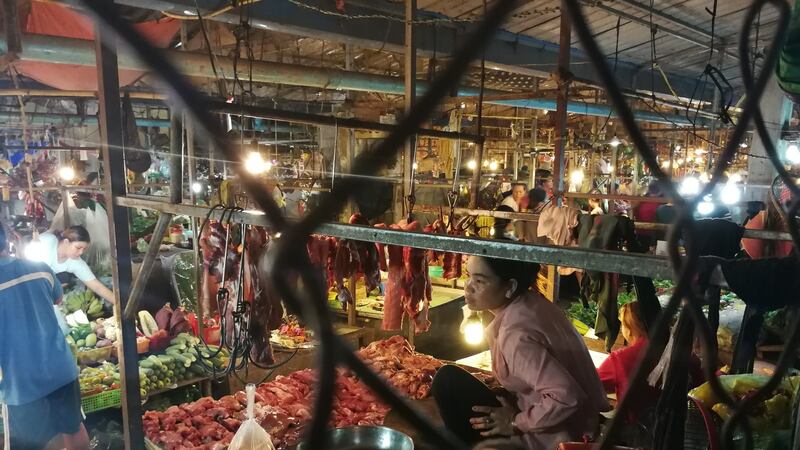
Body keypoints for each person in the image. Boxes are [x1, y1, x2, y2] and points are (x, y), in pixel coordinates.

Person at [432, 256, 610, 449]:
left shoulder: (516, 334)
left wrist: (515, 422)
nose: (468, 287)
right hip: (583, 423)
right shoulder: (531, 303)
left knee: (447, 381)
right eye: (469, 276)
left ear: (510, 287)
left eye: (480, 281)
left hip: (561, 436)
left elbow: (567, 396)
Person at [0, 223, 90, 450]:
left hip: (21, 381)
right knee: (73, 427)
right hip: (60, 366)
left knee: (41, 441)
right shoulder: (40, 268)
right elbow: (57, 299)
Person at [596, 302, 704, 434]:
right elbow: (700, 390)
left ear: (629, 328)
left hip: (637, 433)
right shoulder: (687, 355)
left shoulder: (619, 359)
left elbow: (594, 385)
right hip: (679, 432)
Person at [35, 225, 115, 304]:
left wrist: (118, 303)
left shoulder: (75, 262)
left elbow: (97, 287)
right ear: (66, 242)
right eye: (78, 248)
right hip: (29, 279)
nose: (81, 252)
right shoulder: (47, 243)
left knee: (65, 278)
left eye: (84, 249)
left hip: (44, 284)